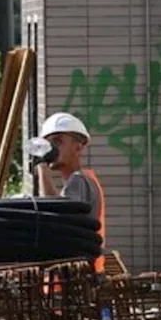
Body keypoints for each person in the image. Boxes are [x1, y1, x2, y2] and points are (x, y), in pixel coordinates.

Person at [35, 111, 107, 273]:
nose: (51, 149)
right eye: (47, 144)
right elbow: (56, 206)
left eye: (58, 142)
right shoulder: (85, 178)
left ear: (78, 146)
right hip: (82, 277)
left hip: (73, 281)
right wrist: (42, 169)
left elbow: (57, 221)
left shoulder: (78, 181)